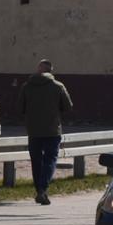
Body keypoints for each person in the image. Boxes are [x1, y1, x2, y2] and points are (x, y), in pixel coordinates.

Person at [19, 59, 73, 205]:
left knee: (36, 161)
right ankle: (43, 189)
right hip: (52, 130)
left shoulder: (27, 86)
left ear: (38, 69)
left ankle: (39, 190)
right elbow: (68, 106)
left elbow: (20, 107)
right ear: (50, 71)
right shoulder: (58, 86)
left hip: (33, 130)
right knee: (50, 160)